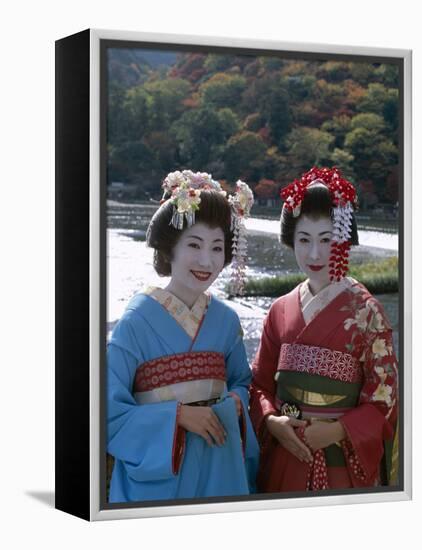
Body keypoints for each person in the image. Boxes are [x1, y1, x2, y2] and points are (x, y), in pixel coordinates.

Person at [107, 170, 259, 503]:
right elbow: (106, 409)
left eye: (217, 247)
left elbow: (243, 383)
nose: (207, 260)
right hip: (161, 477)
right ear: (170, 247)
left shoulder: (226, 321)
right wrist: (177, 418)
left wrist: (235, 402)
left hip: (220, 463)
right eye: (194, 244)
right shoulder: (136, 321)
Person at [250, 166, 398, 492]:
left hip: (341, 461)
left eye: (326, 239)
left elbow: (383, 399)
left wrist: (337, 431)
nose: (314, 253)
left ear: (343, 240)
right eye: (304, 239)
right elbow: (259, 385)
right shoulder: (279, 310)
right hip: (285, 456)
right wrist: (272, 422)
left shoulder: (367, 311)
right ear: (291, 240)